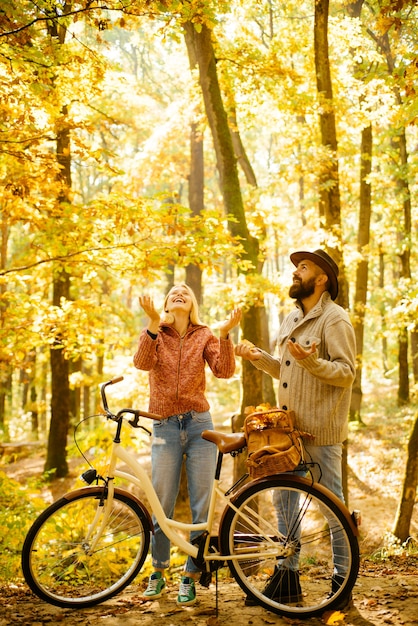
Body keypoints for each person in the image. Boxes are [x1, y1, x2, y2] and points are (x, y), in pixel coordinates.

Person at [235, 249, 356, 608]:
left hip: (319, 432)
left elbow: (346, 373)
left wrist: (315, 363)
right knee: (284, 503)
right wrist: (260, 359)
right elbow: (288, 371)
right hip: (286, 432)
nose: (295, 273)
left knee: (332, 506)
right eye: (295, 267)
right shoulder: (292, 318)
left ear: (321, 280)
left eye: (302, 268)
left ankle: (342, 583)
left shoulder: (335, 320)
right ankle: (286, 580)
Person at [133, 283, 241, 607]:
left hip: (199, 426)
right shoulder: (157, 332)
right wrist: (153, 323)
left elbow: (225, 371)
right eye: (173, 293)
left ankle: (191, 575)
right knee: (161, 501)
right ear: (167, 303)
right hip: (165, 426)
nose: (179, 293)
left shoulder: (204, 334)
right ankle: (159, 571)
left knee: (201, 505)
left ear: (192, 303)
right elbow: (140, 362)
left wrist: (224, 334)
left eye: (186, 292)